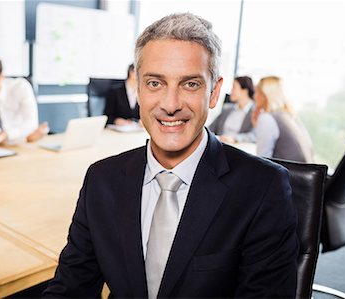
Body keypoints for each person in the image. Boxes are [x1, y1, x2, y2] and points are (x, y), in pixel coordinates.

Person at [43, 13, 298, 298]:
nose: (171, 104)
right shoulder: (101, 179)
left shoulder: (263, 188)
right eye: (155, 83)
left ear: (214, 93)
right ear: (137, 88)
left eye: (190, 84)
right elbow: (70, 289)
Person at [0, 55, 49, 148]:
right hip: (0, 148)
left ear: (1, 77)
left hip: (24, 147)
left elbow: (31, 123)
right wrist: (27, 137)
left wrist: (5, 135)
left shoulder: (21, 87)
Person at [252, 76, 314, 162]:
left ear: (265, 95)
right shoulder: (289, 116)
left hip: (290, 174)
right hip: (301, 173)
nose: (254, 97)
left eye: (257, 92)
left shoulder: (267, 118)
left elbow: (262, 161)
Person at [209, 76, 256, 143]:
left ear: (244, 91)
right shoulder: (227, 109)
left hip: (238, 147)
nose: (231, 91)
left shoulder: (255, 112)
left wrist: (235, 138)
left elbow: (254, 135)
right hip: (220, 144)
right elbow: (211, 128)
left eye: (234, 87)